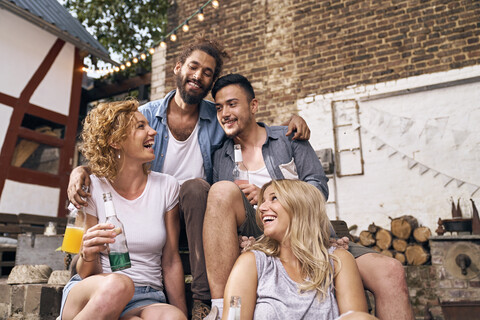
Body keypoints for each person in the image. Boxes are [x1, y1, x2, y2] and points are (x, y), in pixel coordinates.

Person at [67, 36, 310, 319]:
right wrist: (81, 170)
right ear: (179, 67)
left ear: (211, 82)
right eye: (194, 67)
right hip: (147, 212)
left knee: (193, 189)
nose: (199, 76)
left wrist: (289, 124)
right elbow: (108, 148)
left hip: (197, 212)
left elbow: (248, 126)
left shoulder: (218, 117)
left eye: (208, 73)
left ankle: (203, 300)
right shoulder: (145, 116)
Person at [203, 74, 414, 320]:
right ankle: (219, 310)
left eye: (232, 104)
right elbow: (221, 212)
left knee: (390, 270)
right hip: (260, 234)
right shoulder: (220, 156)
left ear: (253, 106)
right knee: (220, 190)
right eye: (218, 108)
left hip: (310, 234)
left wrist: (270, 195)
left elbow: (318, 189)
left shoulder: (289, 137)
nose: (224, 113)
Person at [60, 100, 187, 319]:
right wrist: (88, 253)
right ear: (115, 141)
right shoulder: (92, 186)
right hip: (97, 291)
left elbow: (171, 259)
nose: (153, 131)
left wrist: (182, 312)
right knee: (120, 285)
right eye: (141, 126)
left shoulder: (167, 186)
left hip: (148, 297)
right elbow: (85, 272)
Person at [222, 179, 378, 320]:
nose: (261, 208)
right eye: (262, 201)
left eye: (274, 198)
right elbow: (233, 317)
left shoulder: (338, 260)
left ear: (301, 206)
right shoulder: (251, 263)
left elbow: (355, 317)